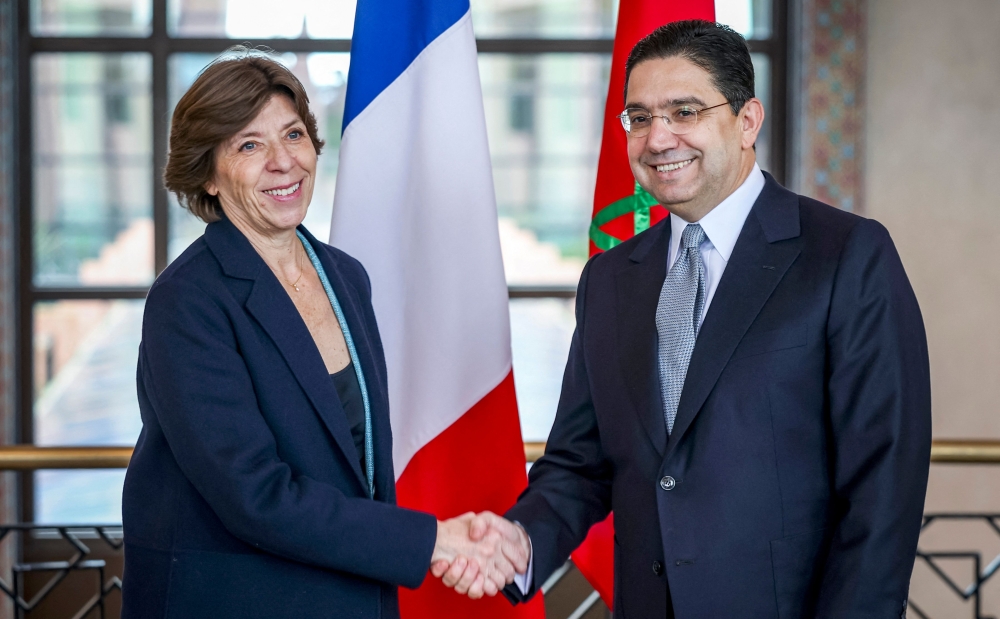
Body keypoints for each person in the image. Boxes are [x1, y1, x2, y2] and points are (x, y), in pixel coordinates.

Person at [437, 20, 932, 618]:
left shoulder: (845, 255)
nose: (658, 138)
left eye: (685, 111)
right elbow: (580, 462)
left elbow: (884, 487)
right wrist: (520, 541)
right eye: (639, 118)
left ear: (748, 121)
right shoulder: (610, 279)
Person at [121, 50, 526, 619]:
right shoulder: (187, 301)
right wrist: (431, 540)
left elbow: (357, 464)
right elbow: (253, 494)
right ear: (208, 175)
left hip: (351, 592)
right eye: (248, 145)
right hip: (236, 602)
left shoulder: (344, 276)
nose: (283, 162)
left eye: (293, 134)